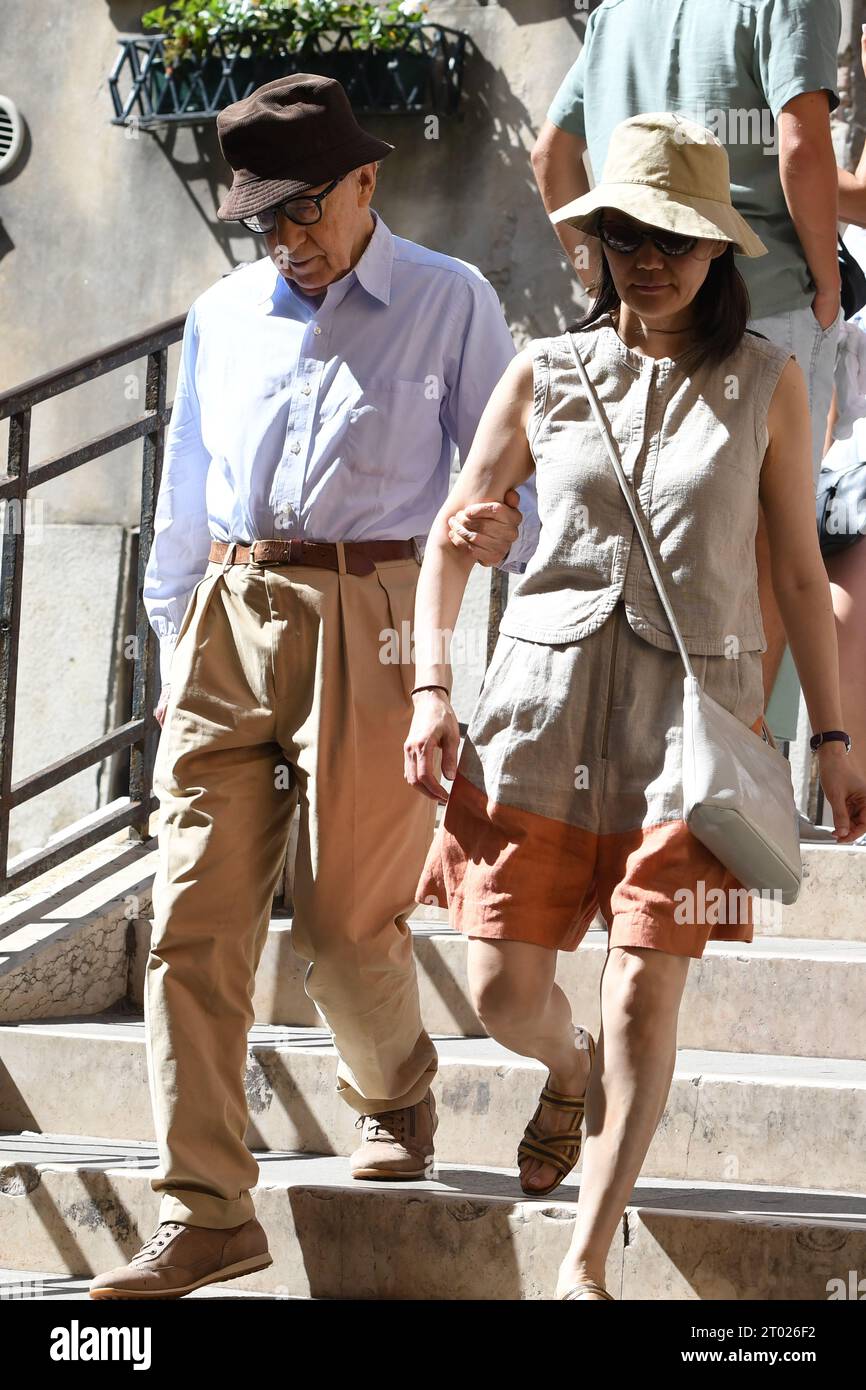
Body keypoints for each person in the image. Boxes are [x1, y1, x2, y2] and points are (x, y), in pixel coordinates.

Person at [89, 74, 539, 1300]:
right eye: (264, 220)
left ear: (362, 182)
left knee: (343, 931)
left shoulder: (450, 301)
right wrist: (178, 634)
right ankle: (204, 1210)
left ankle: (393, 1091)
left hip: (380, 617)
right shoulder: (224, 312)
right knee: (193, 927)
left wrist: (498, 562)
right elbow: (183, 488)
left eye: (303, 212)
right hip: (231, 619)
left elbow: (515, 490)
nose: (287, 240)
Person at [404, 114, 866, 1302]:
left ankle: (583, 1261)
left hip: (694, 738)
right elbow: (452, 542)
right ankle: (564, 1070)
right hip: (535, 722)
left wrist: (830, 731)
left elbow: (801, 579)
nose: (644, 255)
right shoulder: (542, 373)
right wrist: (431, 683)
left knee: (641, 987)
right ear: (594, 242)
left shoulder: (767, 382)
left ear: (715, 249)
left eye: (669, 234)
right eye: (619, 232)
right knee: (505, 985)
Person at [531, 0, 843, 756]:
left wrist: (596, 274)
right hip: (758, 297)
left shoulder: (615, 11)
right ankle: (740, 771)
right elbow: (803, 149)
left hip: (636, 317)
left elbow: (551, 158)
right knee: (774, 547)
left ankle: (655, 760)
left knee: (644, 533)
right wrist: (827, 282)